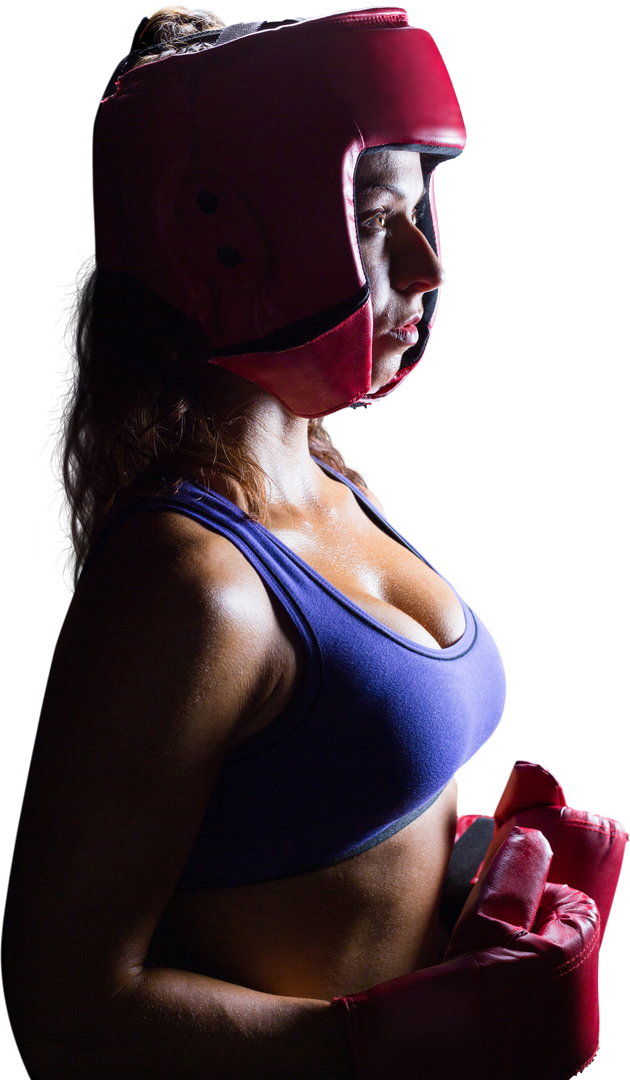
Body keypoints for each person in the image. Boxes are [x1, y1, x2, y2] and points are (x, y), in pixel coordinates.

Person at [5, 6, 626, 1079]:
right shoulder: (185, 583)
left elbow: (304, 826)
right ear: (228, 232)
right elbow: (67, 1020)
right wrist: (392, 1041)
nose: (427, 266)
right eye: (378, 217)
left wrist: (465, 874)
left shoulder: (323, 471)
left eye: (426, 206)